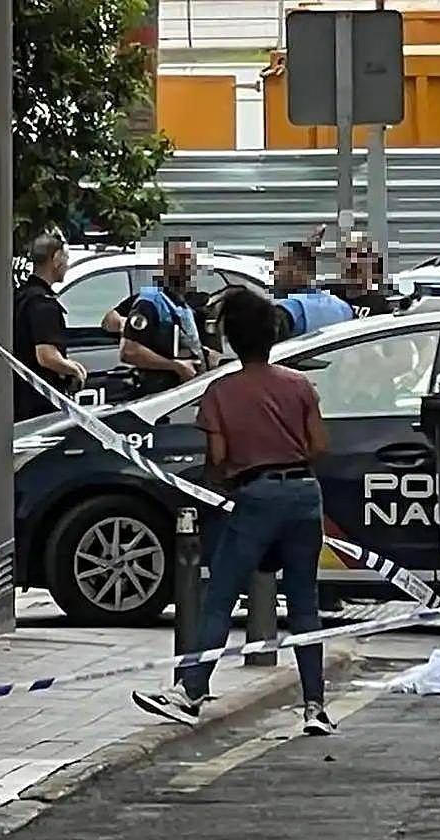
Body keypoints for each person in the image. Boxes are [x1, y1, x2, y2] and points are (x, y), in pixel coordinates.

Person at [132, 288, 334, 735]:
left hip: (255, 496)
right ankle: (315, 706)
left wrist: (226, 481)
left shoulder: (220, 392)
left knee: (220, 594)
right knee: (305, 602)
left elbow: (218, 459)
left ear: (230, 339)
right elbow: (321, 445)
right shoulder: (299, 386)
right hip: (304, 493)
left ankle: (191, 691)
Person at [119, 237, 222, 395]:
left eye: (189, 262)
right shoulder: (150, 302)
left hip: (188, 392)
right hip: (159, 395)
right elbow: (129, 352)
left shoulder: (186, 303)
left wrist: (208, 355)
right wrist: (175, 366)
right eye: (179, 261)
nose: (185, 267)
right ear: (164, 265)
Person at [13, 234, 88, 421]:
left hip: (19, 396)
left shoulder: (22, 295)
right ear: (55, 259)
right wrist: (75, 370)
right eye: (66, 259)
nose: (67, 265)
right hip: (39, 401)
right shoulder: (43, 304)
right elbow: (46, 356)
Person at [272, 239, 354, 340]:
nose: (275, 273)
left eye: (278, 265)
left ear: (296, 269)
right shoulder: (343, 307)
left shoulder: (291, 309)